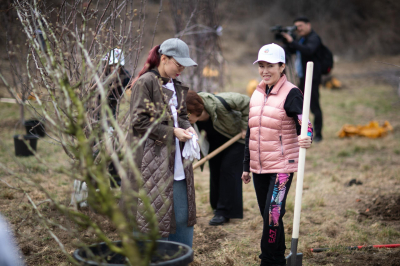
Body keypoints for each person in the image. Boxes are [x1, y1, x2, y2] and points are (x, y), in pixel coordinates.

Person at [122, 38, 198, 247]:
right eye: (178, 63)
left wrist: (187, 126)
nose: (181, 68)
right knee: (151, 217)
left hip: (177, 161)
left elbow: (181, 115)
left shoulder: (176, 85)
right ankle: (154, 258)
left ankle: (179, 256)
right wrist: (173, 132)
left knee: (182, 214)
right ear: (164, 59)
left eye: (184, 65)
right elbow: (139, 122)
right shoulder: (146, 82)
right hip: (151, 162)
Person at [241, 43, 312, 266]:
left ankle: (268, 260)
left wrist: (306, 135)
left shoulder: (291, 93)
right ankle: (278, 258)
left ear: (282, 66)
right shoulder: (257, 93)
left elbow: (305, 123)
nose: (265, 71)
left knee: (272, 217)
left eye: (270, 65)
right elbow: (251, 131)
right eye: (261, 66)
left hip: (282, 167)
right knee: (269, 216)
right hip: (260, 166)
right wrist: (246, 165)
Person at [186, 91, 249, 225]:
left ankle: (224, 212)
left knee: (228, 169)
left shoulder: (220, 102)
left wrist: (245, 127)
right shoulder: (189, 121)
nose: (184, 118)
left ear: (195, 110)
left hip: (236, 139)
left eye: (187, 114)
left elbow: (247, 102)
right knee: (215, 170)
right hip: (214, 142)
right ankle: (217, 207)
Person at [281, 17, 323, 142]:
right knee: (300, 105)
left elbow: (308, 51)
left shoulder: (314, 38)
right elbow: (295, 49)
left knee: (314, 107)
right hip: (302, 77)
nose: (298, 29)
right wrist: (288, 42)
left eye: (300, 26)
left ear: (308, 25)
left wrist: (292, 41)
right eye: (296, 27)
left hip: (313, 78)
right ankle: (301, 130)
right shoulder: (302, 39)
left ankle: (318, 135)